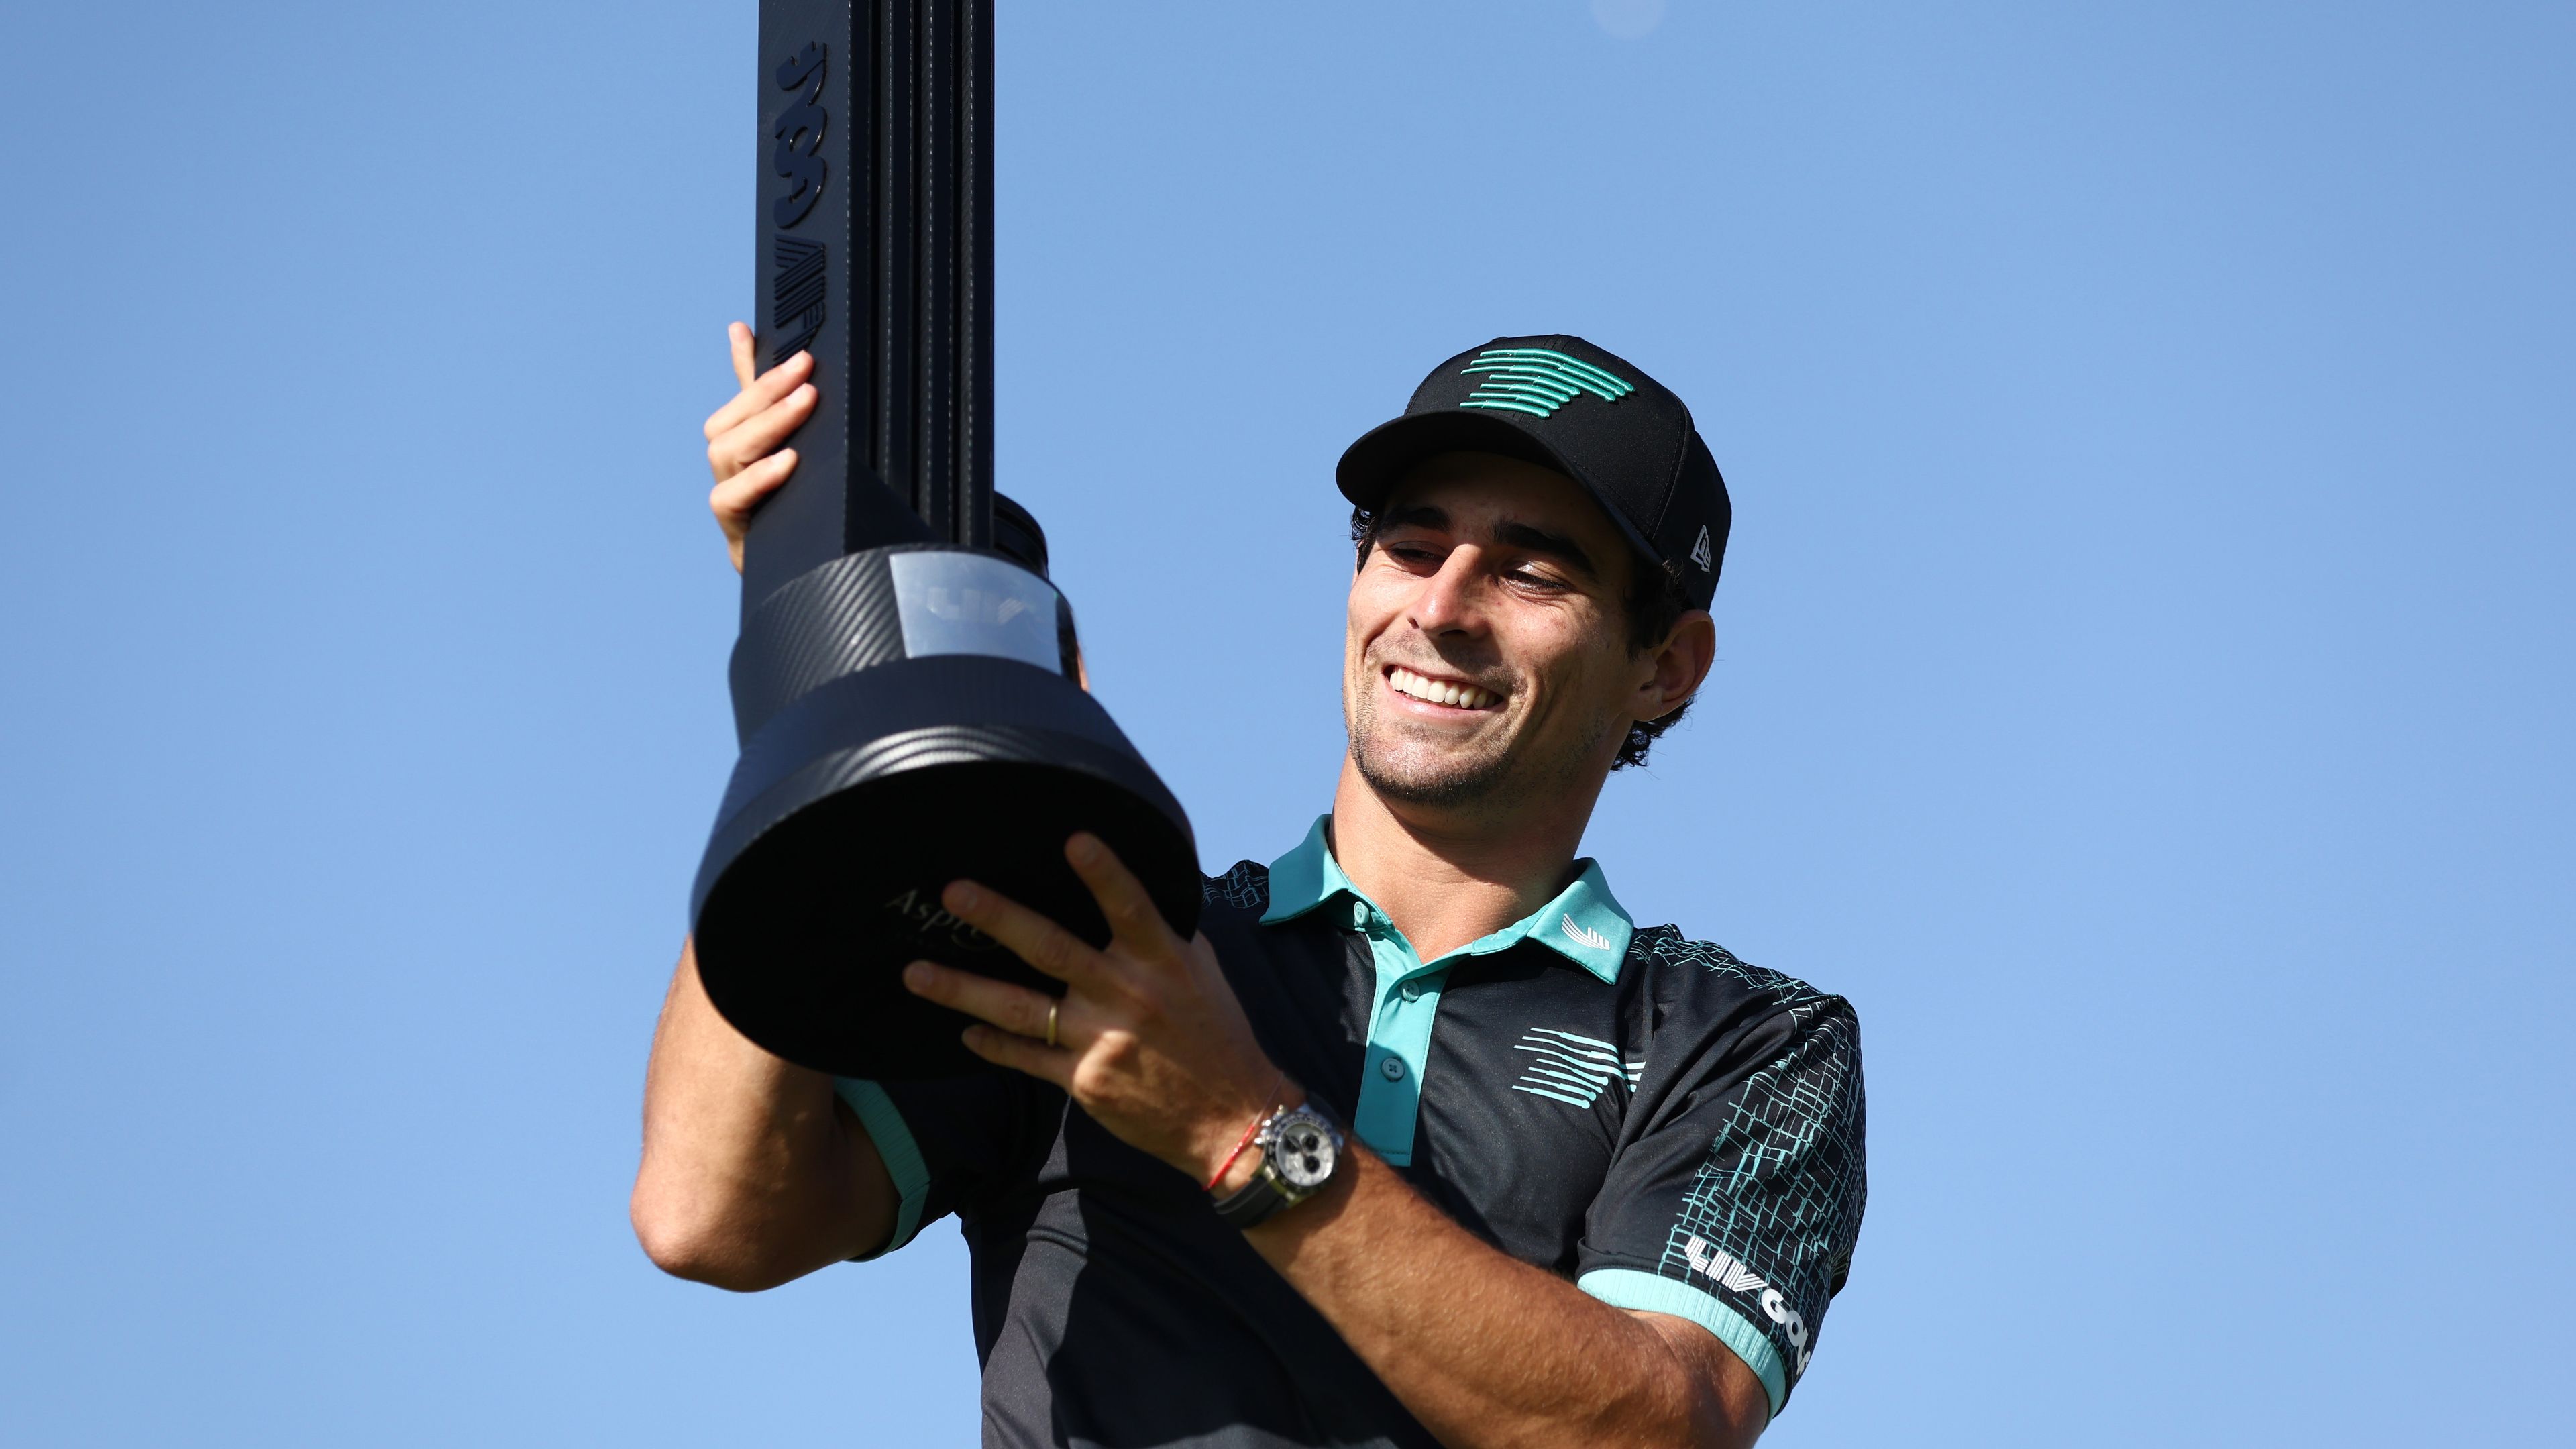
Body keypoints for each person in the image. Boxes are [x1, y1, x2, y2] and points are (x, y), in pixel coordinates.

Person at [635, 327, 1867, 1448]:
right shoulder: (1115, 936)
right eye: (1412, 544)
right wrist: (831, 691)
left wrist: (1237, 1126)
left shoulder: (1751, 1044)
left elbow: (1663, 1430)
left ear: (1666, 667)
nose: (1439, 608)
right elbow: (714, 1214)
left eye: (1533, 572)